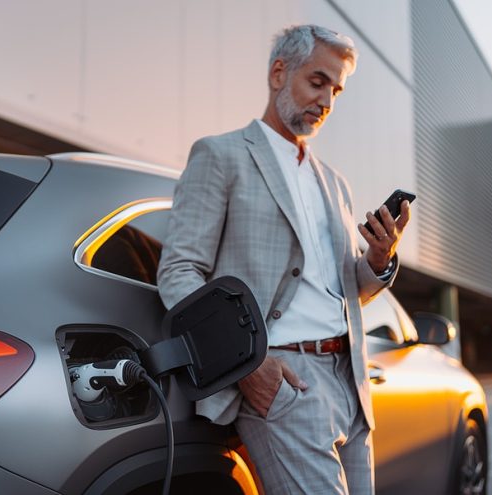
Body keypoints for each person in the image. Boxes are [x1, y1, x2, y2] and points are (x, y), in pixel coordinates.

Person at [157, 24, 411, 494]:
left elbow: (346, 285)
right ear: (279, 73)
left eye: (336, 90)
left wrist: (378, 259)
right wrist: (248, 365)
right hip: (285, 379)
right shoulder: (221, 155)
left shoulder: (335, 183)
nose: (327, 102)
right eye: (317, 82)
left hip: (351, 380)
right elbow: (178, 272)